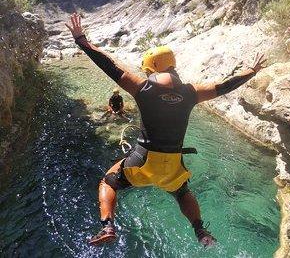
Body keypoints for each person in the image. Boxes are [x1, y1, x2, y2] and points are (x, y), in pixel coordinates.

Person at [65, 13, 267, 247]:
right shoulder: (193, 92)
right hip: (173, 164)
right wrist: (251, 71)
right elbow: (224, 86)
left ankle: (108, 226)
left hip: (143, 159)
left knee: (109, 182)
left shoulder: (142, 87)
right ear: (172, 65)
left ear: (150, 67)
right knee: (181, 193)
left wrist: (81, 40)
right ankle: (200, 231)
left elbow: (108, 65)